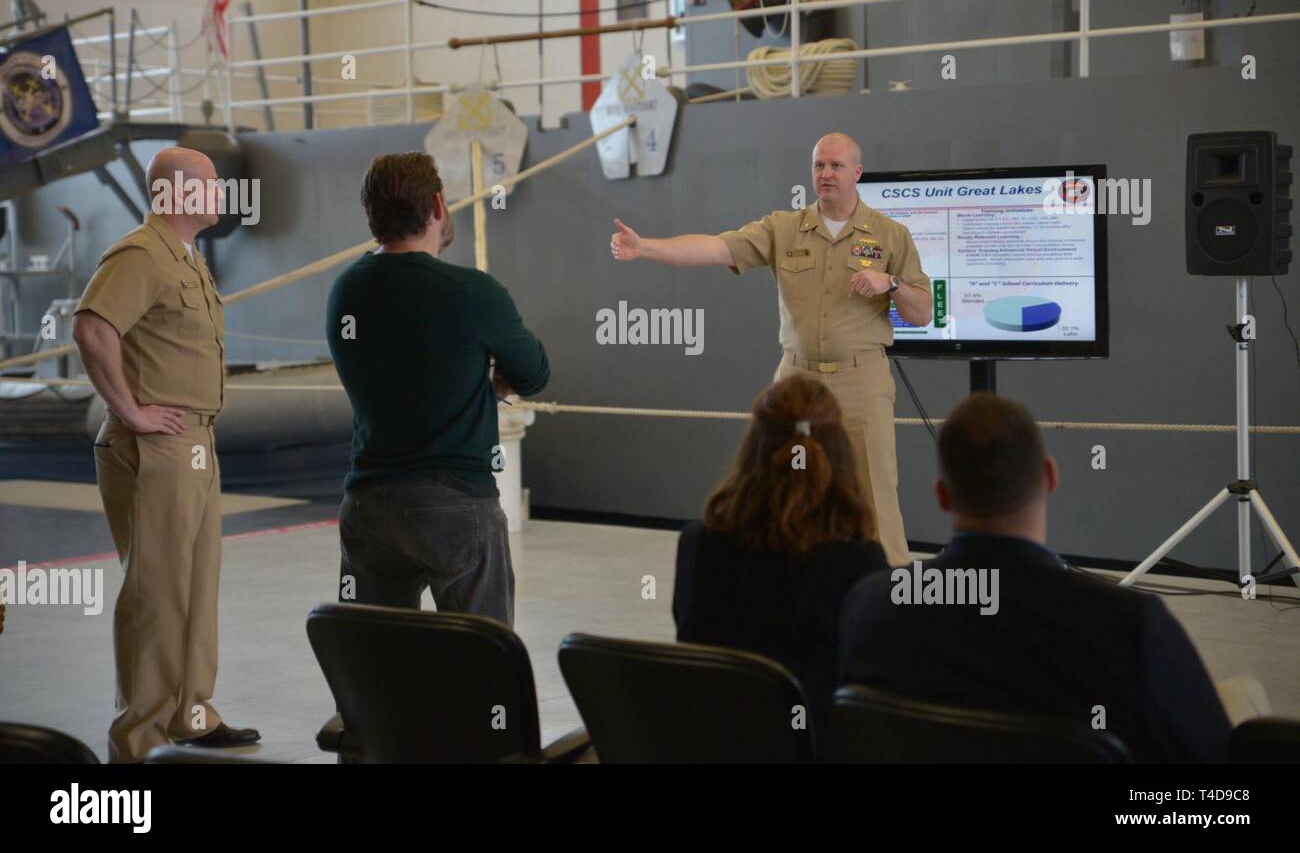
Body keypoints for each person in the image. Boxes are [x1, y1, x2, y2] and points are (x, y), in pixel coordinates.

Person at [838, 392, 1242, 763]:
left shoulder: (871, 606)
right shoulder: (1129, 625)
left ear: (942, 494)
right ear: (1050, 476)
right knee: (1243, 698)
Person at [611, 132, 930, 566]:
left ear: (857, 172)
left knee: (874, 490)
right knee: (784, 481)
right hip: (796, 381)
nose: (826, 174)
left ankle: (890, 591)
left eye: (836, 166)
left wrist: (890, 284)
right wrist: (645, 247)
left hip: (861, 380)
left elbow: (922, 312)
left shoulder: (891, 235)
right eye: (819, 165)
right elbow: (714, 247)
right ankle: (786, 581)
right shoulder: (783, 228)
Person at [73, 147, 258, 762]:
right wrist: (130, 411)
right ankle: (139, 740)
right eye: (211, 184)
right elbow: (93, 328)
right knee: (157, 595)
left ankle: (191, 713)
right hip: (156, 446)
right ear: (177, 194)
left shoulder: (185, 258)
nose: (222, 193)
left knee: (196, 587)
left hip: (195, 441)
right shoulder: (140, 253)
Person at [326, 151, 549, 626]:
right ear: (437, 206)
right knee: (480, 658)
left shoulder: (346, 290)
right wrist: (488, 384)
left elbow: (396, 374)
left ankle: (367, 705)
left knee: (371, 663)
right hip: (456, 500)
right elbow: (533, 373)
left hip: (369, 503)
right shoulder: (473, 292)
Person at [674, 374, 888, 729]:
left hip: (716, 743)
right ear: (839, 454)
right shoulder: (860, 563)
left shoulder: (700, 546)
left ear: (752, 449)